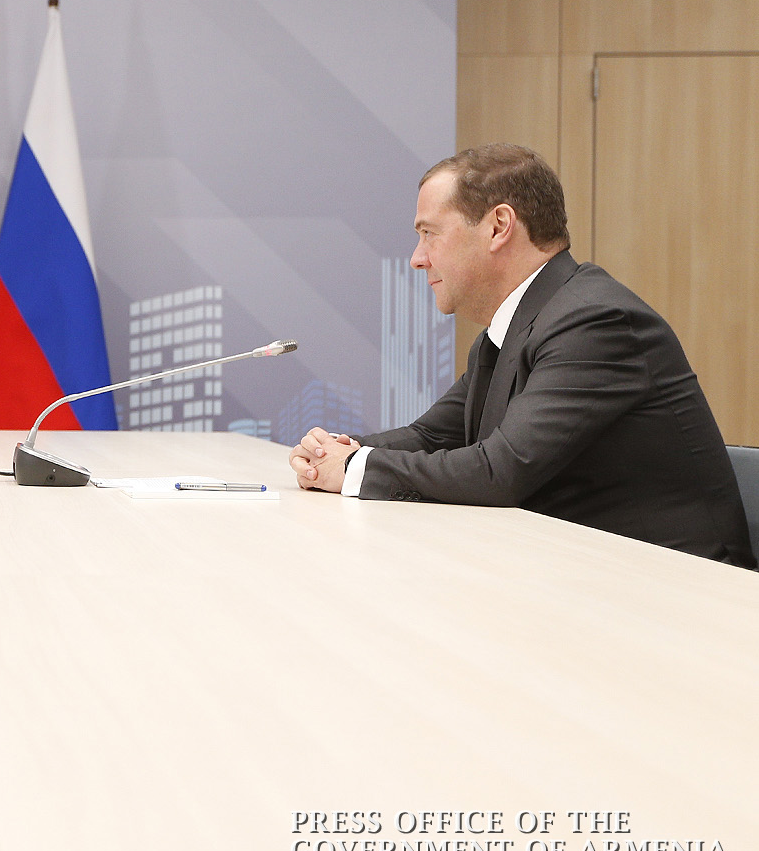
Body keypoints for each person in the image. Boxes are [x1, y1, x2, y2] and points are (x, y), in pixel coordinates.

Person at [288, 143, 752, 567]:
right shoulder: (515, 327)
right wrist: (339, 452)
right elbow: (432, 435)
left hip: (679, 588)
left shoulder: (595, 322)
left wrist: (353, 469)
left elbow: (500, 470)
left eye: (429, 234)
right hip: (585, 571)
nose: (417, 258)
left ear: (498, 227)